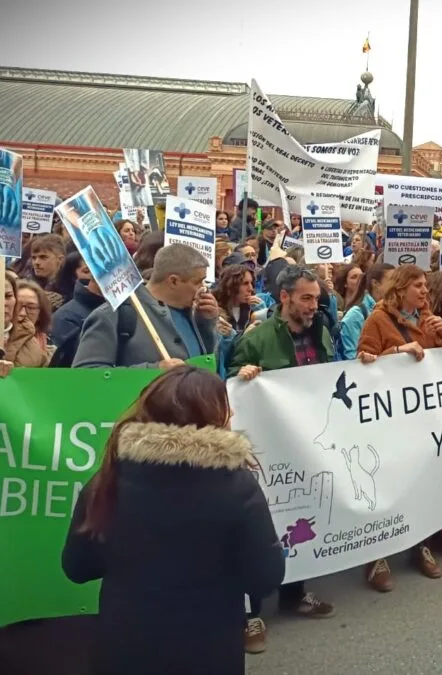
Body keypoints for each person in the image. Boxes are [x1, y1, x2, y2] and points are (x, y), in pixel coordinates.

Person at [60, 367, 285, 675]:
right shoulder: (237, 486)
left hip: (124, 646)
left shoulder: (108, 480)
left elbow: (77, 567)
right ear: (213, 417)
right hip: (208, 651)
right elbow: (266, 576)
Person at [226, 264, 337, 651]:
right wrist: (243, 372)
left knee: (301, 517)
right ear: (284, 297)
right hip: (266, 449)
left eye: (317, 299)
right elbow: (229, 377)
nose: (313, 306)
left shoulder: (320, 331)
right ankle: (251, 612)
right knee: (261, 525)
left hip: (306, 443)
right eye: (306, 298)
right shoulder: (258, 338)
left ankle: (296, 591)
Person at [358, 264, 442, 591]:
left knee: (420, 480)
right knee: (387, 484)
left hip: (422, 416)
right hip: (389, 419)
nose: (425, 291)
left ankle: (419, 544)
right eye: (418, 286)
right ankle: (377, 556)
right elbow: (364, 362)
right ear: (400, 290)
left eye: (426, 286)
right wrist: (398, 350)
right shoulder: (378, 320)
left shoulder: (427, 318)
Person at [73, 244, 219, 369]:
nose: (203, 289)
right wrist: (154, 370)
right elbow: (87, 374)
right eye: (198, 282)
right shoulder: (114, 314)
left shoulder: (195, 314)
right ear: (173, 281)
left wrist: (206, 325)